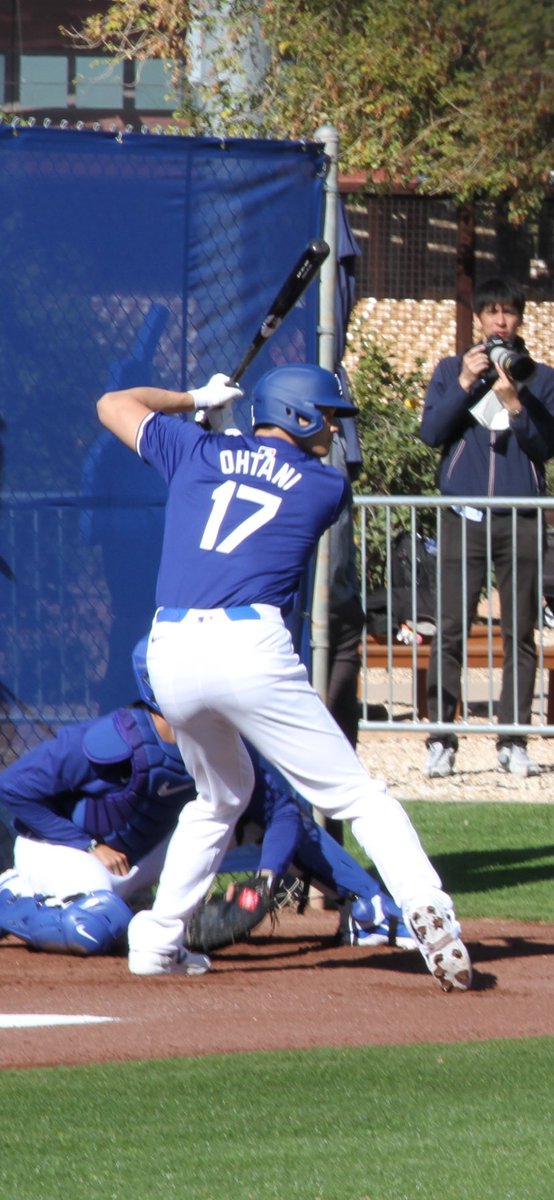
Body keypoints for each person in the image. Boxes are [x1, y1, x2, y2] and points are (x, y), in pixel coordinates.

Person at [96, 362, 471, 991]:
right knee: (356, 795)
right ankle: (429, 911)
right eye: (327, 416)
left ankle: (157, 942)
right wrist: (221, 434)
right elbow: (258, 476)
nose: (334, 428)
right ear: (297, 414)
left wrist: (195, 401)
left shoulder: (193, 450)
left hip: (171, 649)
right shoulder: (324, 485)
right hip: (249, 647)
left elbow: (113, 403)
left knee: (220, 796)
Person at [0, 637, 414, 956]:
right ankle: (9, 894)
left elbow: (282, 812)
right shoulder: (109, 740)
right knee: (96, 927)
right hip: (67, 854)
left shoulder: (220, 739)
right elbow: (12, 788)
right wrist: (88, 844)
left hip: (140, 857)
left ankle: (370, 911)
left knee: (275, 816)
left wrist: (266, 880)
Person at [420, 277, 554, 779]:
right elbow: (431, 433)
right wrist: (463, 384)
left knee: (520, 633)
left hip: (521, 519)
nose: (501, 320)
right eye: (492, 312)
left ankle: (513, 741)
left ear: (520, 319)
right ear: (478, 318)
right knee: (451, 629)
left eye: (509, 312)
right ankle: (440, 740)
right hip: (465, 518)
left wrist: (516, 403)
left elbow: (545, 448)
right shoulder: (450, 370)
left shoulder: (541, 378)